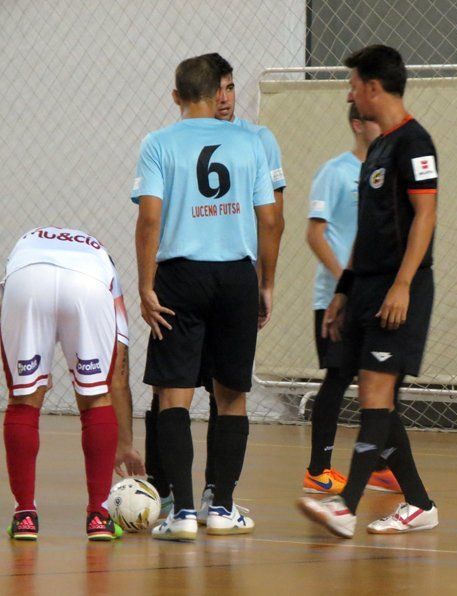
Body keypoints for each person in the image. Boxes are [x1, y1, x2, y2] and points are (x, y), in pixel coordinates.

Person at [132, 54, 281, 541]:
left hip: (180, 275)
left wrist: (146, 283)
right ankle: (224, 506)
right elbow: (271, 219)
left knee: (173, 393)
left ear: (176, 96)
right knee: (231, 394)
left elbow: (150, 218)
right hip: (236, 274)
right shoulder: (251, 142)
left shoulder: (157, 143)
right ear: (215, 92)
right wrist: (265, 281)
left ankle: (182, 514)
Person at [298, 45, 439, 538]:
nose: (350, 93)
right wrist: (342, 291)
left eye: (354, 84)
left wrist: (402, 285)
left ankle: (346, 504)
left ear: (374, 88)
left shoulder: (415, 143)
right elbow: (366, 231)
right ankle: (418, 502)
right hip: (366, 288)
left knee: (376, 392)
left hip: (400, 290)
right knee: (376, 398)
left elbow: (426, 214)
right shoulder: (376, 150)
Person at [1, 226, 144, 541]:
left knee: (23, 400)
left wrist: (32, 376)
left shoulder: (25, 243)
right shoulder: (104, 263)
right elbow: (117, 376)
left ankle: (25, 514)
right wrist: (124, 443)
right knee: (95, 399)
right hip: (87, 286)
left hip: (27, 280)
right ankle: (99, 517)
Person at [302, 104, 402, 495]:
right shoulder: (336, 171)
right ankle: (318, 468)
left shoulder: (387, 175)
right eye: (374, 119)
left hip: (376, 298)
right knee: (339, 376)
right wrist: (345, 282)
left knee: (385, 381)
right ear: (358, 125)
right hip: (336, 299)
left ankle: (381, 466)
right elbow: (315, 233)